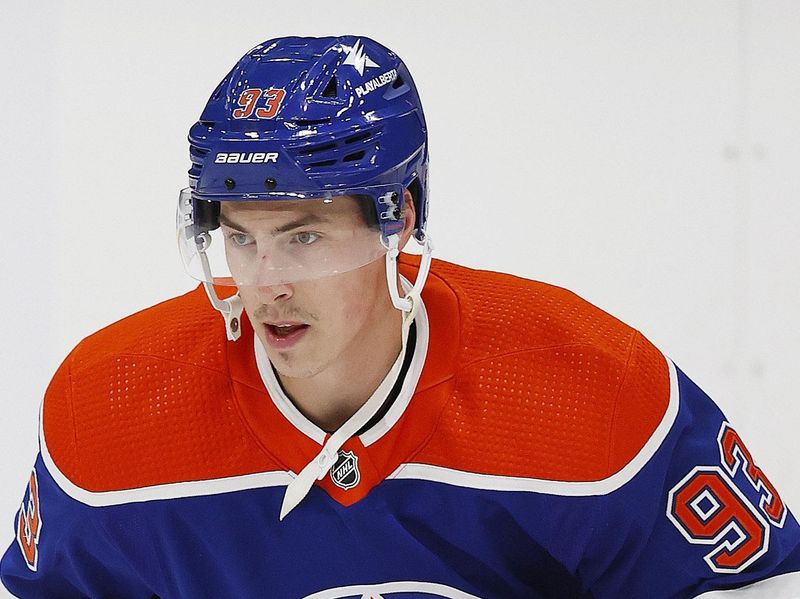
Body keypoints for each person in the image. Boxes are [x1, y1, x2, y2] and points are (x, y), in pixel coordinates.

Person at [1, 35, 799, 599]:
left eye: (303, 234)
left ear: (399, 218)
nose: (265, 281)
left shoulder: (591, 389)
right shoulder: (105, 412)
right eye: (239, 237)